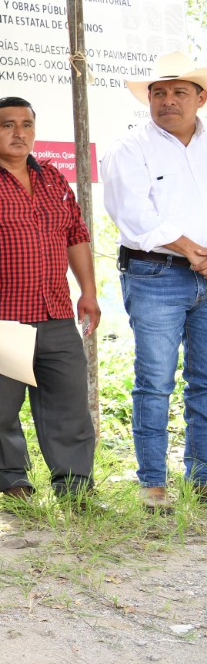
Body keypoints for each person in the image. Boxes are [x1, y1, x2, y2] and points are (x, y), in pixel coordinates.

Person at [0, 97, 99, 501]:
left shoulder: (52, 179)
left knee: (70, 406)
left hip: (56, 310)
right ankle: (13, 483)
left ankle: (74, 484)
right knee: (1, 409)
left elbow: (76, 236)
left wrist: (89, 293)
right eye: (7, 125)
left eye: (26, 124)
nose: (19, 132)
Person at [101, 51, 207, 510]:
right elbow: (133, 214)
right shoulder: (130, 148)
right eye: (158, 93)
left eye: (179, 91)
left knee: (204, 382)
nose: (167, 100)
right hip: (155, 273)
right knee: (155, 381)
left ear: (201, 98)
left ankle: (201, 479)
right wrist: (189, 248)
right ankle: (152, 484)